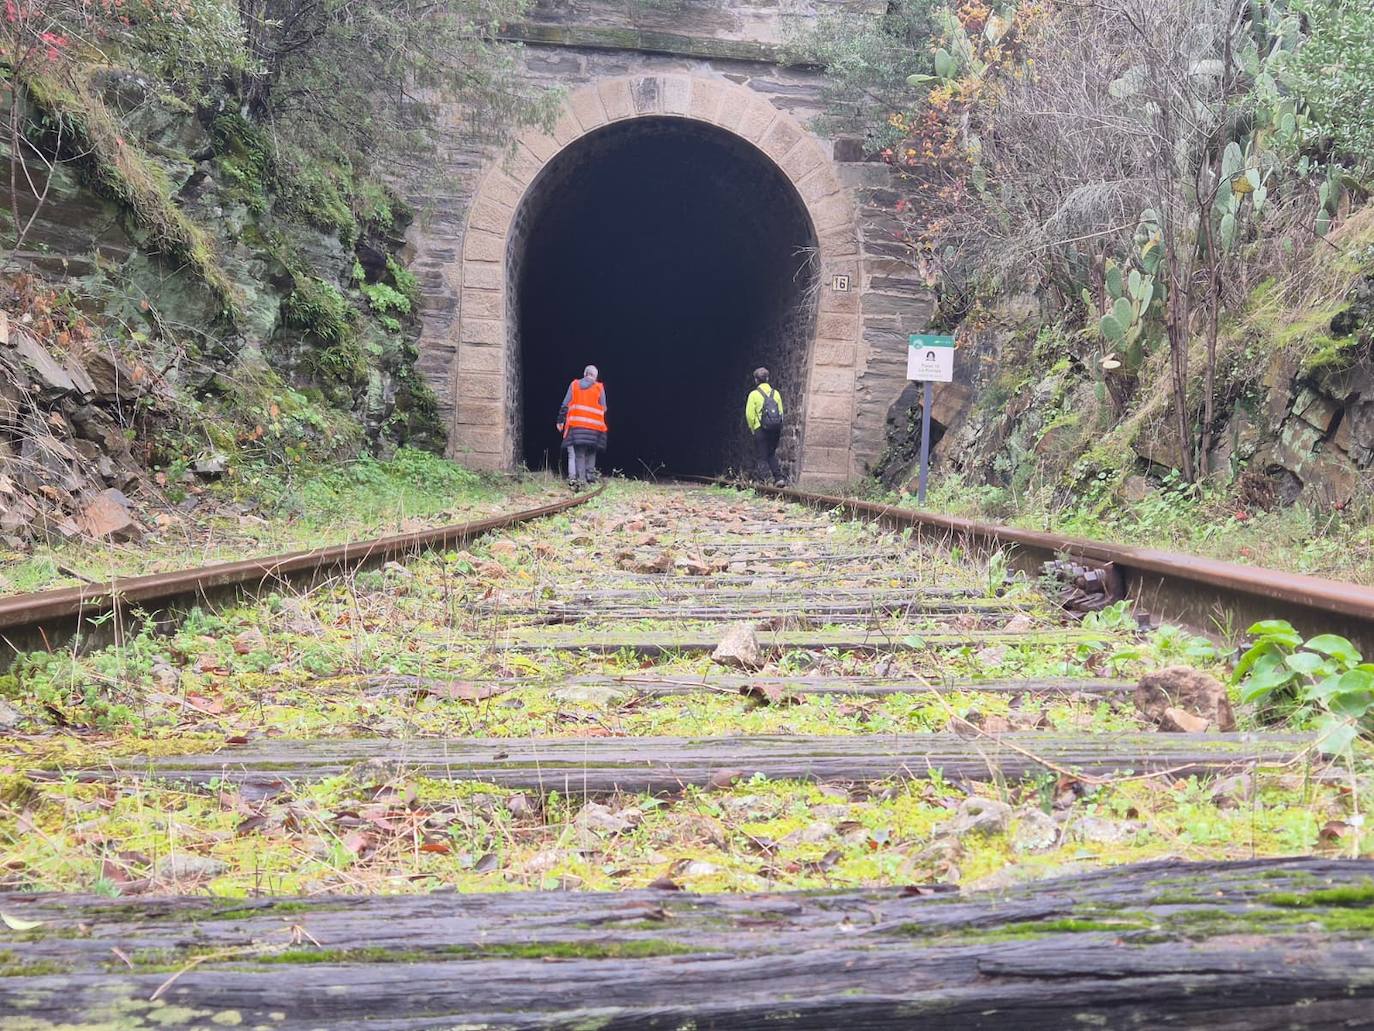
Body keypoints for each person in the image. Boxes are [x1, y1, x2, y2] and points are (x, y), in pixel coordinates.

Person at [557, 364, 607, 490]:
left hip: (577, 427)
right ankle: (590, 478)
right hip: (595, 428)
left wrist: (560, 420)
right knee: (591, 452)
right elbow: (604, 407)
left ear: (585, 374)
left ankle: (581, 481)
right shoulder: (599, 388)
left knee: (579, 454)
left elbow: (565, 404)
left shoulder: (574, 385)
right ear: (595, 377)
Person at [745, 366, 785, 486]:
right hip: (775, 429)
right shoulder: (776, 393)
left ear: (756, 380)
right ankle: (778, 478)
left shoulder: (754, 395)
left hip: (760, 429)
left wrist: (753, 428)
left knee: (762, 455)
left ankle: (763, 481)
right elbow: (781, 412)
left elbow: (749, 414)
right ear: (767, 378)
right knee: (771, 453)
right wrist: (778, 426)